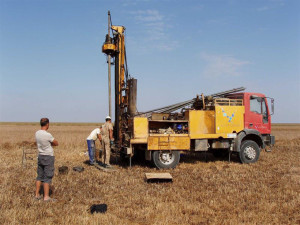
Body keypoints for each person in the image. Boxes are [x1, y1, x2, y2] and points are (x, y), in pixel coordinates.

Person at [35, 118, 58, 202]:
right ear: (47, 124)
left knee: (39, 176)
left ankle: (37, 195)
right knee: (47, 177)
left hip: (40, 155)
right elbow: (56, 143)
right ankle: (46, 197)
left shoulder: (37, 133)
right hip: (48, 156)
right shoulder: (48, 135)